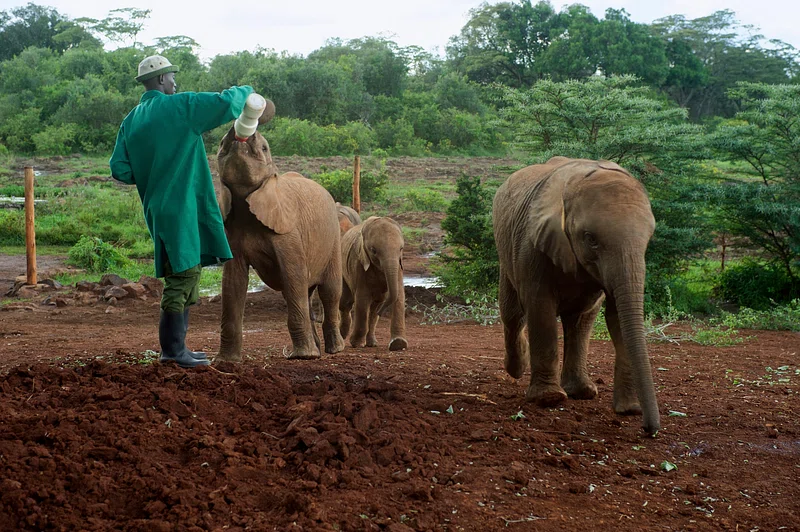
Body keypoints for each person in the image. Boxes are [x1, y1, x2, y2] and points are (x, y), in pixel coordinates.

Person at [110, 55, 254, 368]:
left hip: (157, 209)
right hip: (182, 206)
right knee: (183, 273)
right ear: (161, 80)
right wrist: (247, 90)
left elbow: (119, 169)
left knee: (189, 267)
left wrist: (153, 171)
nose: (176, 82)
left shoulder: (131, 120)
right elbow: (225, 104)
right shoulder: (180, 107)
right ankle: (172, 352)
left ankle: (181, 348)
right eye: (172, 77)